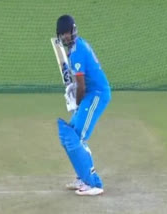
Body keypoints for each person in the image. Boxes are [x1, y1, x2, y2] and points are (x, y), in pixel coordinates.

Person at [56, 14, 111, 196]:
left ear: (73, 31)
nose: (65, 37)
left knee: (78, 137)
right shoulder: (76, 48)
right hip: (89, 93)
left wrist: (76, 102)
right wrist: (74, 89)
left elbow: (82, 85)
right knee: (70, 133)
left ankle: (94, 183)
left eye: (67, 33)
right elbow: (79, 81)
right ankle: (82, 176)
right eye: (62, 34)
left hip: (96, 94)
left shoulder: (78, 51)